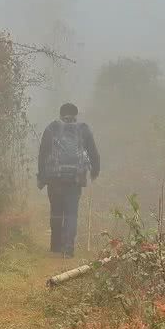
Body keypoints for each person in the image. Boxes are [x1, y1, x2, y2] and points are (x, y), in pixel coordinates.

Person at [37, 102, 100, 258]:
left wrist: (42, 176)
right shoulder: (83, 129)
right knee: (72, 213)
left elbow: (43, 153)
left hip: (54, 178)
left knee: (56, 212)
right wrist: (94, 171)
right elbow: (93, 152)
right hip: (75, 179)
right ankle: (68, 247)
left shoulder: (52, 128)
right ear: (75, 115)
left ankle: (56, 246)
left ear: (60, 115)